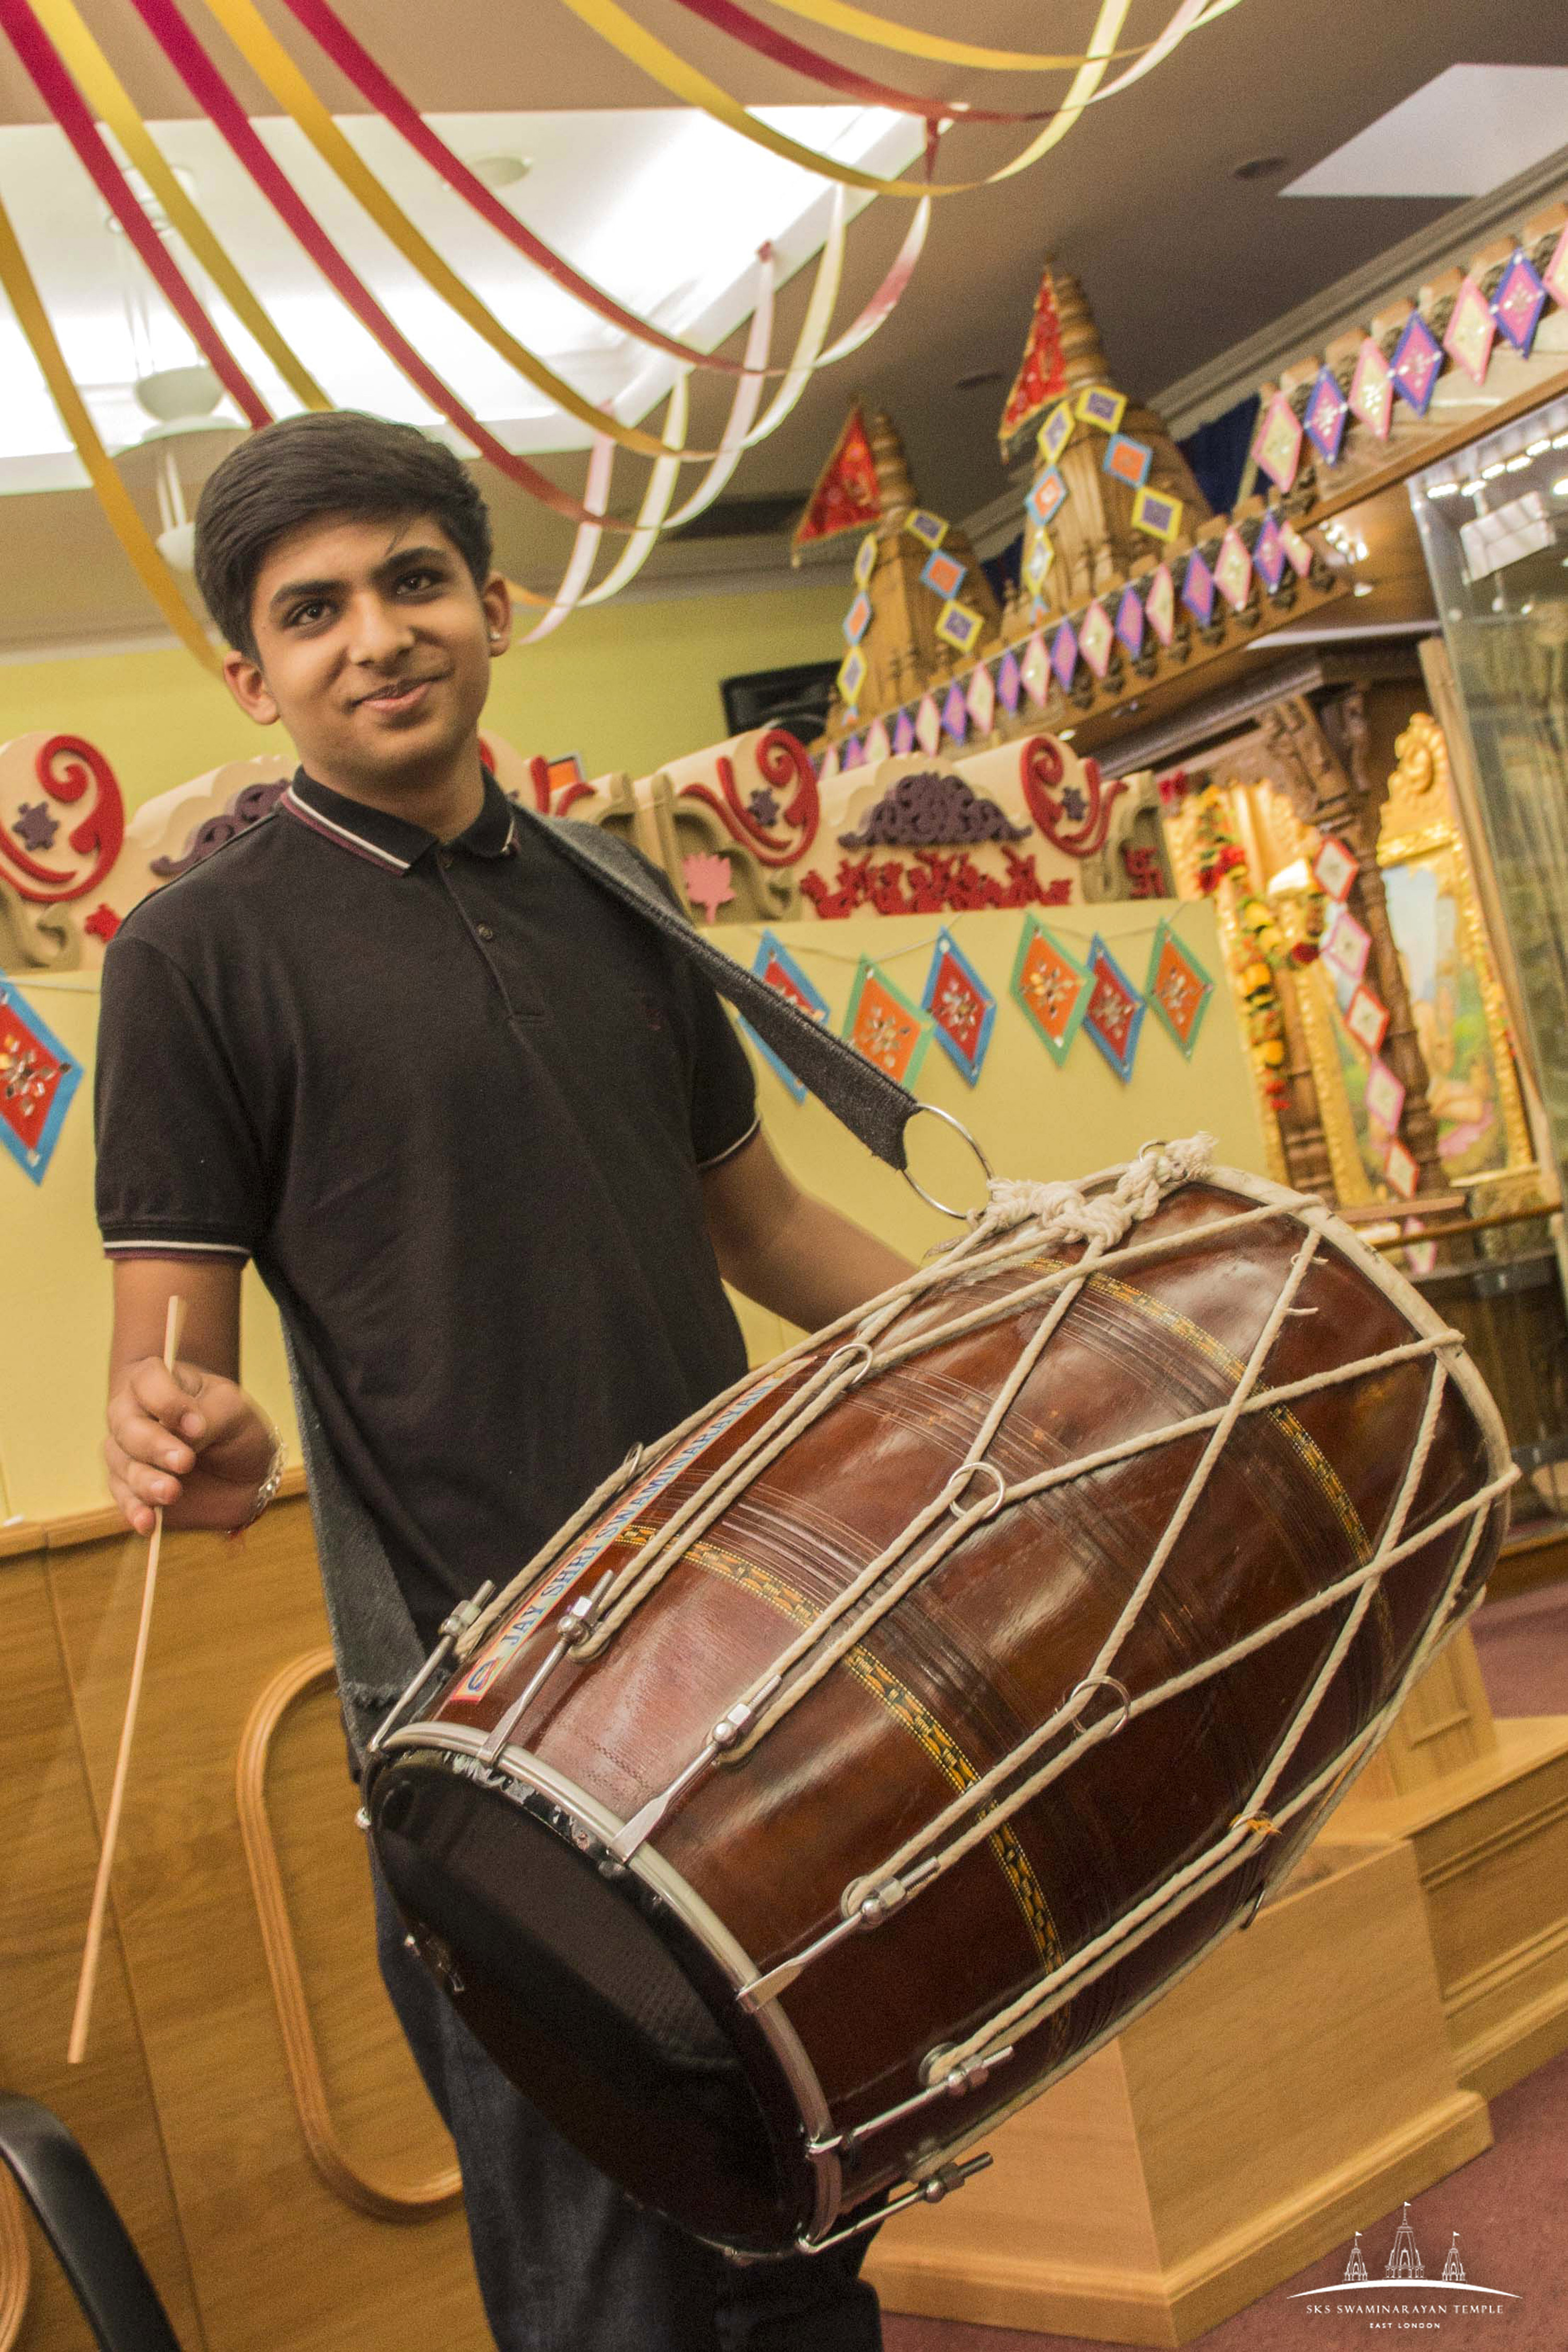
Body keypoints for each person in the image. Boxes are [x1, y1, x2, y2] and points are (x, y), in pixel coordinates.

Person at [96, 409, 914, 2352]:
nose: (373, 634)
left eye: (411, 580)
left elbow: (769, 1229)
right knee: (600, 2270)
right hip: (486, 1715)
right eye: (315, 610)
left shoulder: (617, 895)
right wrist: (179, 1433)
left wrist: (1009, 1349)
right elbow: (172, 1380)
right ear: (254, 671)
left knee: (815, 2206)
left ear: (494, 606)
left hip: (739, 1646)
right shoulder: (196, 955)